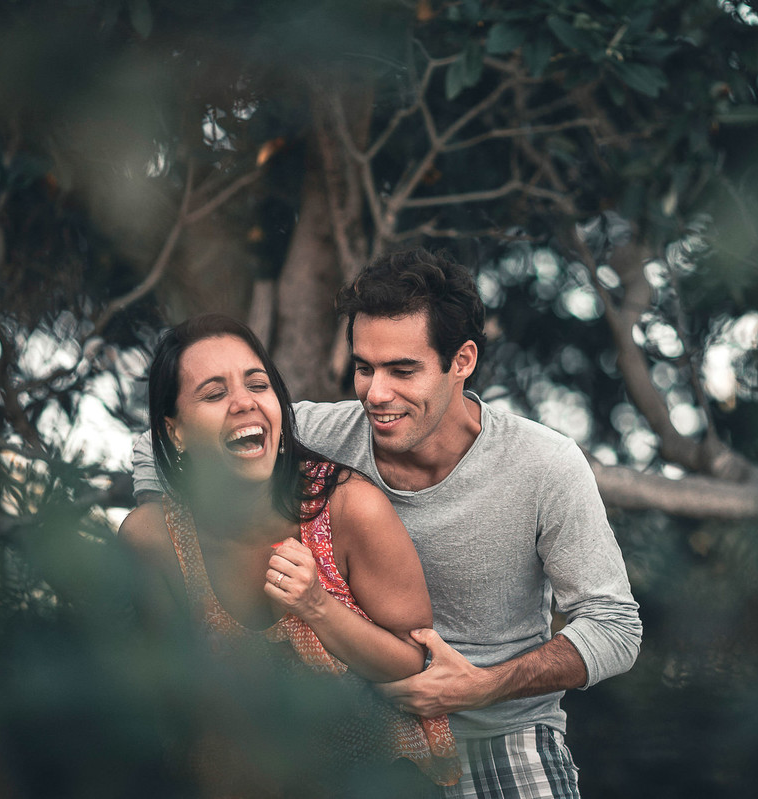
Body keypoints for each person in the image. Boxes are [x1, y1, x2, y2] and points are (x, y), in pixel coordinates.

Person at [132, 249, 641, 798]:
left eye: (402, 370)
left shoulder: (544, 465)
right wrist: (179, 547)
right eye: (364, 368)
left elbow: (615, 627)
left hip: (503, 733)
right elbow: (156, 446)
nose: (375, 395)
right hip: (366, 744)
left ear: (462, 360)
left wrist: (480, 687)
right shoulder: (314, 434)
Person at [119, 313, 459, 794]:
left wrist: (316, 606)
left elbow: (412, 660)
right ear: (175, 433)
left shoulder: (348, 508)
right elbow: (168, 703)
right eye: (214, 394)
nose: (244, 402)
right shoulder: (153, 539)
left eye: (257, 385)